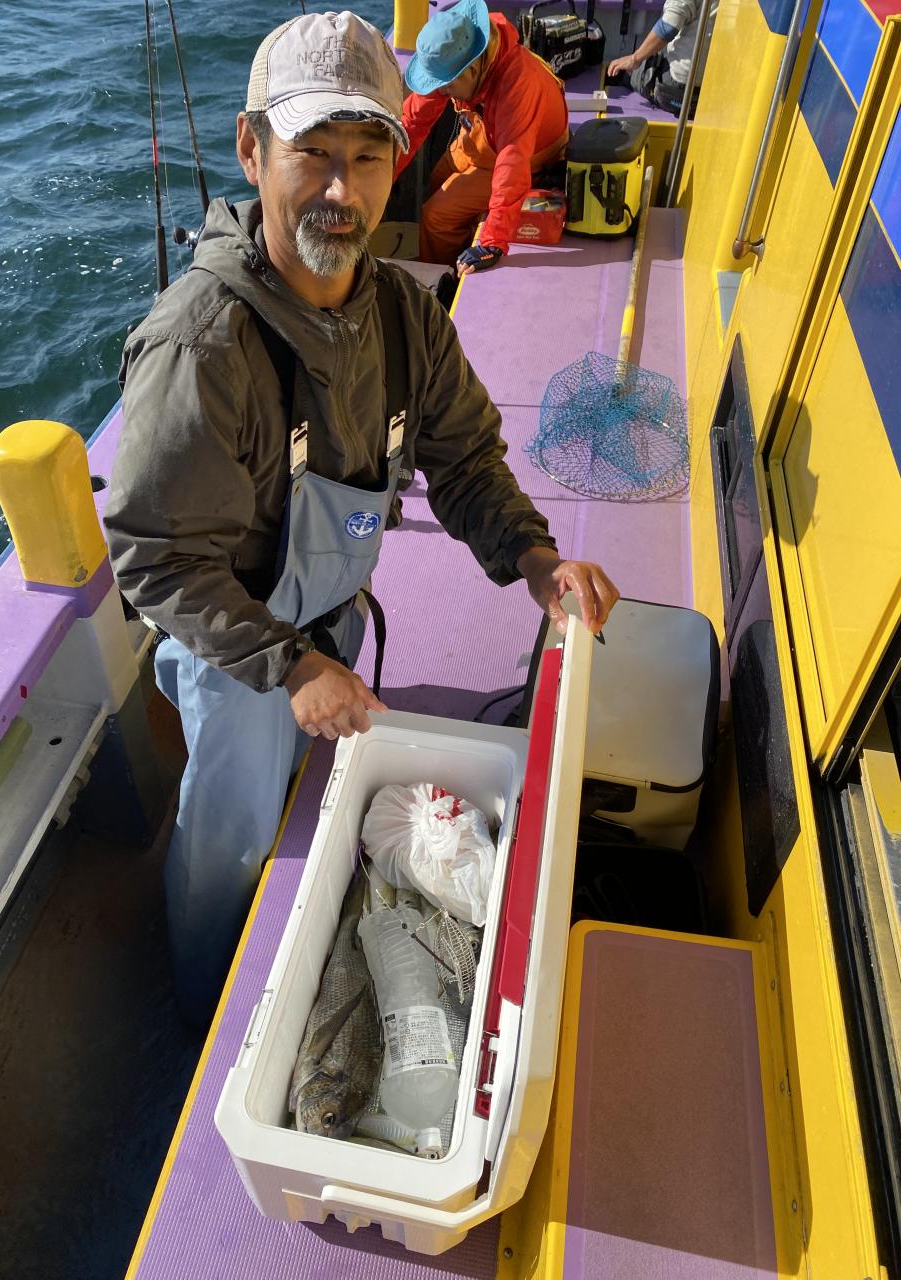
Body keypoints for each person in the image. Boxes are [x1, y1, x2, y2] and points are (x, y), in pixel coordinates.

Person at [104, 10, 618, 1027]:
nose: (343, 190)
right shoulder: (200, 350)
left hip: (331, 615)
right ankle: (202, 1006)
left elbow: (465, 457)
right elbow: (158, 561)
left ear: (397, 162)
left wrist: (534, 556)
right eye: (314, 153)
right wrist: (292, 667)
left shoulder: (405, 315)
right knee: (230, 840)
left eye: (369, 155)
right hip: (238, 647)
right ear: (252, 151)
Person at [396, 0, 569, 273]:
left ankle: (443, 279)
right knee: (438, 180)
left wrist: (492, 241)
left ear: (473, 71)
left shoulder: (520, 85)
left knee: (437, 216)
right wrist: (380, 176)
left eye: (446, 87)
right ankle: (454, 248)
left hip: (526, 158)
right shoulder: (453, 60)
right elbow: (411, 123)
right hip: (480, 139)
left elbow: (512, 163)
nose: (441, 93)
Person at [606, 0, 718, 117]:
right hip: (713, 89)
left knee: (624, 74)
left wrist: (634, 59)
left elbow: (669, 27)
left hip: (680, 88)